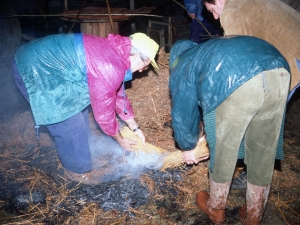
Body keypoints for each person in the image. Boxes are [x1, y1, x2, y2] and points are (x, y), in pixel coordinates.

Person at [169, 36, 290, 224]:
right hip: (279, 70)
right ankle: (254, 215)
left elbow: (183, 110)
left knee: (225, 146)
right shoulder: (210, 50)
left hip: (237, 79)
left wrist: (187, 146)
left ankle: (215, 208)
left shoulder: (182, 62)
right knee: (263, 149)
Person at [11, 32, 159, 185]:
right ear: (135, 56)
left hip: (52, 66)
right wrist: (120, 140)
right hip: (35, 67)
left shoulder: (117, 54)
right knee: (71, 122)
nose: (143, 70)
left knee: (80, 110)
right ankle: (76, 170)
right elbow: (104, 115)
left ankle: (84, 157)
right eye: (145, 66)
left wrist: (135, 128)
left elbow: (117, 95)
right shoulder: (109, 66)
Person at [202, 0, 300, 190]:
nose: (214, 17)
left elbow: (238, 60)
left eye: (213, 10)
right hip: (291, 45)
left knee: (266, 117)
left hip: (293, 56)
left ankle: (255, 173)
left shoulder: (232, 11)